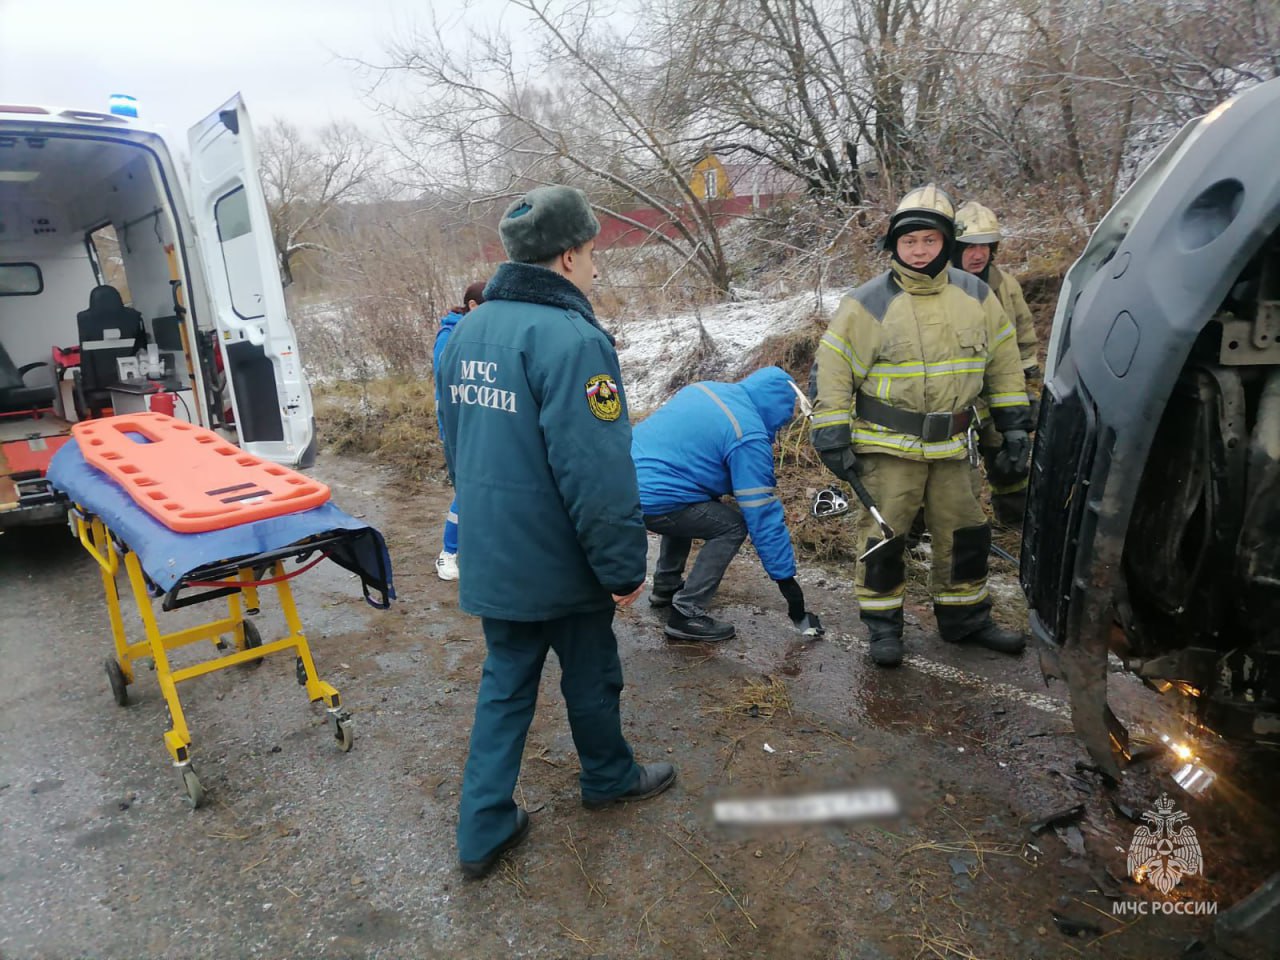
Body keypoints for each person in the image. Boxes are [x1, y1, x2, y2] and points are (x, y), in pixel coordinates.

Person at [437, 185, 676, 880]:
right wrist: (623, 567)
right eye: (594, 252)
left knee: (505, 685)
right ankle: (607, 777)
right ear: (569, 255)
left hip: (495, 552)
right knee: (593, 670)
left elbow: (457, 450)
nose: (596, 266)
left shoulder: (466, 332)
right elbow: (597, 469)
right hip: (562, 559)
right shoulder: (572, 338)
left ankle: (481, 830)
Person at [809, 184, 1032, 668]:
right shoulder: (867, 302)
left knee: (966, 534)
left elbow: (1004, 364)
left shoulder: (976, 295)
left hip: (953, 447)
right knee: (884, 537)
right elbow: (833, 367)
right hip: (888, 450)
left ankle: (965, 619)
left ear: (946, 243)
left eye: (929, 240)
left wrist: (1014, 426)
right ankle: (884, 627)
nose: (919, 250)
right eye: (909, 242)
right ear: (894, 247)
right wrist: (831, 431)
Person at [631, 366, 824, 642]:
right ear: (776, 410)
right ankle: (686, 613)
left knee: (689, 503)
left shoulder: (707, 389)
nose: (778, 430)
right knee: (732, 525)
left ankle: (666, 588)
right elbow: (762, 514)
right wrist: (791, 590)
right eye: (781, 424)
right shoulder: (748, 434)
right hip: (655, 497)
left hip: (622, 484)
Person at [952, 201, 1041, 526]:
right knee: (958, 478)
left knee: (1012, 464)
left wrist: (1029, 393)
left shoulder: (1006, 286)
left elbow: (1024, 344)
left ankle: (1016, 526)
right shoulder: (941, 288)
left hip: (1001, 397)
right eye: (970, 246)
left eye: (985, 246)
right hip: (959, 401)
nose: (978, 254)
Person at [432, 280, 487, 582]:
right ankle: (448, 553)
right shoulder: (449, 336)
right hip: (460, 429)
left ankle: (479, 551)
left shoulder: (486, 333)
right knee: (466, 491)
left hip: (486, 425)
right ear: (473, 306)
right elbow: (448, 389)